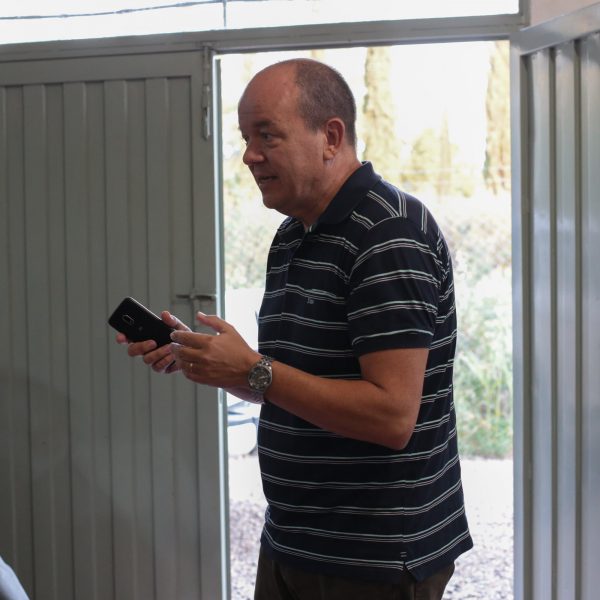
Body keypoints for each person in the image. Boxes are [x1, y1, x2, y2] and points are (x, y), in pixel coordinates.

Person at [117, 58, 472, 600]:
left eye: (267, 135)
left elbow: (392, 416)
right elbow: (287, 387)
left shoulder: (389, 233)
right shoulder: (292, 237)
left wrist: (255, 369)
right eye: (245, 138)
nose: (249, 155)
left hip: (373, 557)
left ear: (330, 136)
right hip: (294, 542)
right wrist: (208, 361)